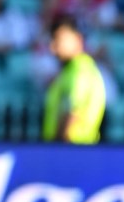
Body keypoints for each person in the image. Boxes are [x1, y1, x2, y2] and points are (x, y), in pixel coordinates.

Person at [41, 15, 106, 144]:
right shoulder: (69, 70)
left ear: (78, 39)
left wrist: (56, 148)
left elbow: (72, 113)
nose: (53, 47)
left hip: (71, 148)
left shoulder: (80, 70)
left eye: (59, 39)